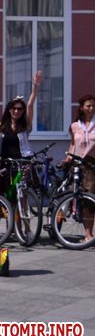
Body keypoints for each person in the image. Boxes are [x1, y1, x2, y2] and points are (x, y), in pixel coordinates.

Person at [0, 71, 43, 178]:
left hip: (23, 163)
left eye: (19, 109)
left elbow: (30, 106)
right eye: (14, 108)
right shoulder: (2, 125)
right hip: (6, 163)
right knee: (8, 188)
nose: (16, 111)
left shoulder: (25, 124)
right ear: (9, 109)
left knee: (21, 187)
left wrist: (35, 87)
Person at [63, 94, 95, 241]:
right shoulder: (75, 125)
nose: (91, 108)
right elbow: (73, 144)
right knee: (78, 197)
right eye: (88, 106)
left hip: (91, 165)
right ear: (82, 108)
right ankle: (86, 233)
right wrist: (67, 158)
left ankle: (89, 234)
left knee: (89, 199)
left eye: (93, 106)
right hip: (77, 164)